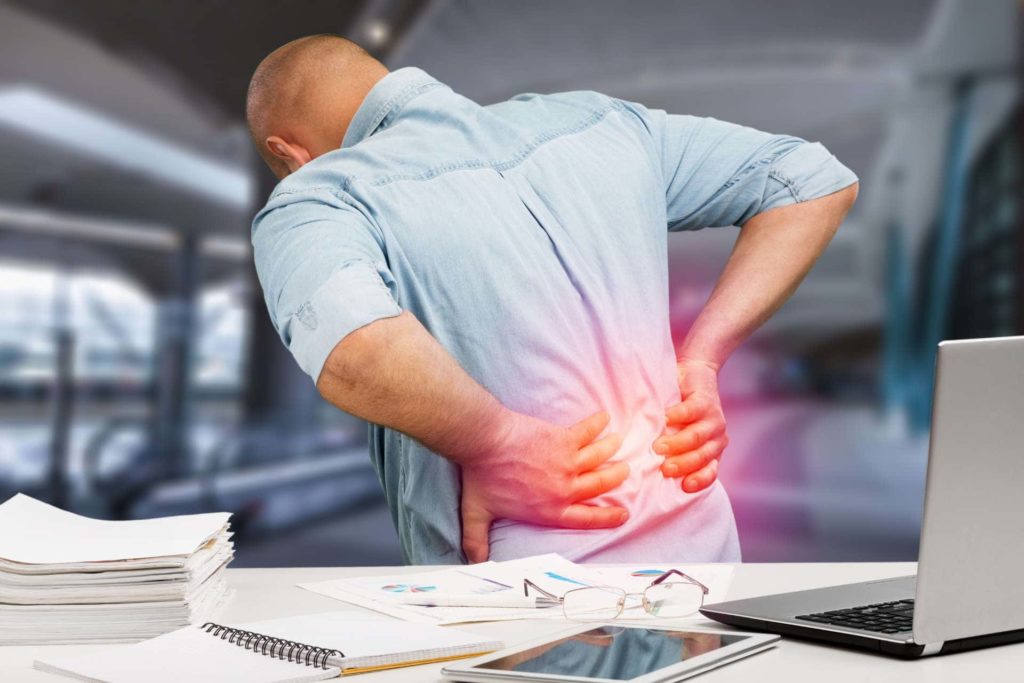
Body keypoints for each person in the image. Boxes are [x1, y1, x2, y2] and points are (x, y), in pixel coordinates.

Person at [246, 35, 858, 565]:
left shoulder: (321, 196)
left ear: (286, 153)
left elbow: (351, 343)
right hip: (704, 556)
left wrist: (497, 442)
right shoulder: (599, 122)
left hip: (529, 587)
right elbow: (809, 181)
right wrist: (701, 357)